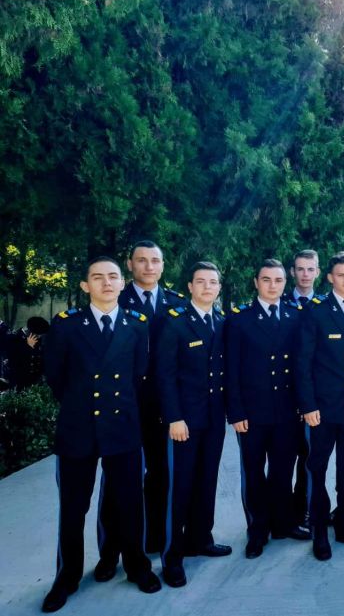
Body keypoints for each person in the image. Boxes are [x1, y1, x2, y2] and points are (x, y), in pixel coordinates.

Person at [41, 257, 161, 613]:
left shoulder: (136, 323)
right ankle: (67, 576)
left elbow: (138, 374)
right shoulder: (66, 325)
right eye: (98, 277)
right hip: (78, 429)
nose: (106, 283)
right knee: (73, 508)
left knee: (130, 503)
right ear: (85, 285)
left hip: (122, 427)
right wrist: (80, 406)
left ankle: (137, 565)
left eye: (112, 277)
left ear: (122, 282)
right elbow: (56, 378)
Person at [96, 240, 185, 563]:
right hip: (124, 405)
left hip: (164, 406)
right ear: (129, 264)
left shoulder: (177, 302)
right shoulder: (115, 299)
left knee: (162, 474)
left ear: (162, 265)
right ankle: (110, 552)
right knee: (117, 479)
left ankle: (155, 538)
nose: (149, 266)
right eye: (142, 260)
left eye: (155, 260)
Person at [226, 259, 310, 560]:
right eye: (266, 279)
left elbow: (301, 365)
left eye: (278, 280)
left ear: (285, 283)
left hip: (286, 411)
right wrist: (236, 412)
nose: (272, 285)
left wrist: (302, 405)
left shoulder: (294, 316)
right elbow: (231, 370)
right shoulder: (240, 319)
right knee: (253, 472)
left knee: (282, 471)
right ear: (256, 282)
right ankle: (257, 530)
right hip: (252, 413)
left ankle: (283, 523)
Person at [157, 261, 231, 588]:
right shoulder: (175, 322)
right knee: (180, 487)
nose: (207, 287)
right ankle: (172, 557)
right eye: (200, 282)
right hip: (184, 421)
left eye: (213, 282)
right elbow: (165, 374)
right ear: (189, 286)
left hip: (213, 418)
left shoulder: (221, 321)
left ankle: (201, 538)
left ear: (219, 288)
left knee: (207, 480)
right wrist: (174, 417)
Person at [297, 252, 344, 561]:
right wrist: (308, 405)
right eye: (341, 275)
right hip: (322, 409)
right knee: (317, 470)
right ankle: (318, 531)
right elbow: (303, 363)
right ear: (329, 277)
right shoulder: (315, 311)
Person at [282, 249, 321, 529]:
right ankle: (282, 515)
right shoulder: (279, 302)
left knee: (310, 459)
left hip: (314, 397)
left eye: (310, 269)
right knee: (284, 459)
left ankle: (305, 510)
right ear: (292, 272)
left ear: (318, 272)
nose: (305, 274)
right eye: (300, 269)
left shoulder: (323, 305)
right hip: (282, 395)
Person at [6, 316, 49, 389]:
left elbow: (40, 359)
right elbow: (15, 362)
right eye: (38, 335)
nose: (39, 337)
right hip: (19, 383)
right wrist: (28, 347)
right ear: (31, 332)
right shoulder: (15, 339)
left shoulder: (37, 340)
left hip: (35, 383)